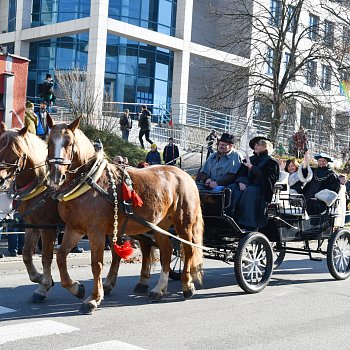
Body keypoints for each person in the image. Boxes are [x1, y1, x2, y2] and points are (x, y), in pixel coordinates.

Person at [231, 136, 280, 230]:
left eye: (259, 144)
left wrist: (251, 167)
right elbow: (241, 173)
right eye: (255, 144)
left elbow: (267, 178)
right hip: (245, 185)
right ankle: (229, 217)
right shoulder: (251, 159)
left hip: (260, 188)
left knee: (250, 192)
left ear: (266, 147)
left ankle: (247, 224)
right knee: (232, 188)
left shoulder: (271, 162)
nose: (255, 146)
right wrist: (241, 182)